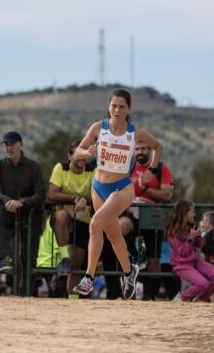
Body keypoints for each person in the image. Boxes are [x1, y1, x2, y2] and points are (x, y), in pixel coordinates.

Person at [70, 88, 163, 299]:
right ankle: (130, 273)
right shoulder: (98, 128)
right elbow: (77, 152)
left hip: (122, 187)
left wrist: (151, 170)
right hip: (98, 186)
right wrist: (87, 152)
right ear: (108, 107)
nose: (117, 110)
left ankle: (89, 278)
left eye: (121, 106)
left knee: (95, 224)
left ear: (128, 109)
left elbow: (158, 147)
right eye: (113, 106)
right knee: (113, 235)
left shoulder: (134, 133)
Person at [0, 131, 45, 283]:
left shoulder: (34, 167)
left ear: (21, 144)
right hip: (8, 212)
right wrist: (6, 200)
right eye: (6, 144)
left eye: (12, 144)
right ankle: (3, 257)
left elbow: (41, 194)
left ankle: (29, 293)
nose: (9, 148)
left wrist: (22, 202)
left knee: (29, 257)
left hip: (31, 214)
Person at [126, 140, 173, 300]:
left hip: (153, 214)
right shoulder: (128, 167)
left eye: (143, 148)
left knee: (154, 259)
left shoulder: (161, 168)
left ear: (151, 151)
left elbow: (166, 195)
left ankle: (149, 296)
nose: (140, 151)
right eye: (137, 149)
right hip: (130, 212)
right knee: (123, 236)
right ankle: (128, 288)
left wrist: (146, 188)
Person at [46, 139, 94, 294]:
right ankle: (64, 257)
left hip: (85, 220)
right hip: (65, 220)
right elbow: (51, 193)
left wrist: (85, 199)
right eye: (78, 154)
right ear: (70, 155)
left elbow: (99, 194)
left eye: (85, 154)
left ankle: (72, 298)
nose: (81, 158)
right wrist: (73, 198)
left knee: (78, 263)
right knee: (60, 216)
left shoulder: (93, 170)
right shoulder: (61, 168)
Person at [165, 199, 214, 302]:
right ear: (184, 213)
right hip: (181, 265)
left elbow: (198, 245)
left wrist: (198, 237)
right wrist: (191, 238)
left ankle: (201, 299)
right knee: (202, 283)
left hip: (194, 261)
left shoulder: (190, 227)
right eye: (192, 211)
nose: (194, 214)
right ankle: (180, 298)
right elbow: (182, 251)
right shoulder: (173, 231)